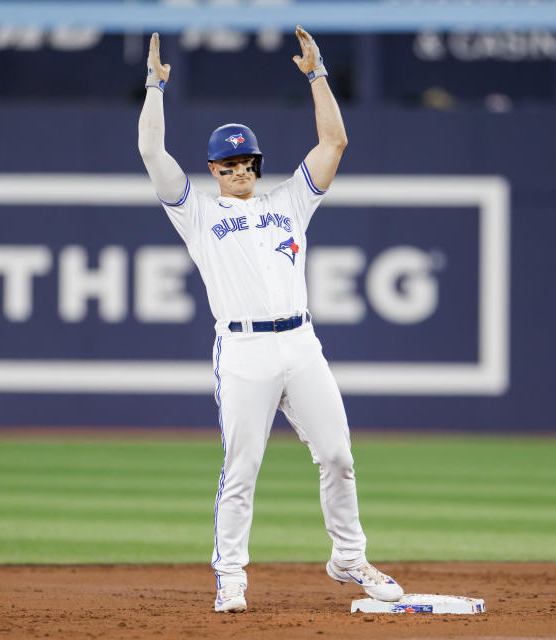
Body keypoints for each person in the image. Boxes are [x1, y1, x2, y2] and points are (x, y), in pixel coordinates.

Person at [137, 26, 404, 613]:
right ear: (212, 168)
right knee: (243, 467)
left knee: (337, 454)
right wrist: (154, 88)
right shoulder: (199, 215)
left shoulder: (288, 203)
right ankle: (230, 575)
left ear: (257, 164)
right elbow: (153, 155)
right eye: (227, 161)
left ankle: (349, 558)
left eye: (246, 159)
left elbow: (334, 143)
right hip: (244, 351)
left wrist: (317, 74)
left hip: (301, 343)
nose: (238, 168)